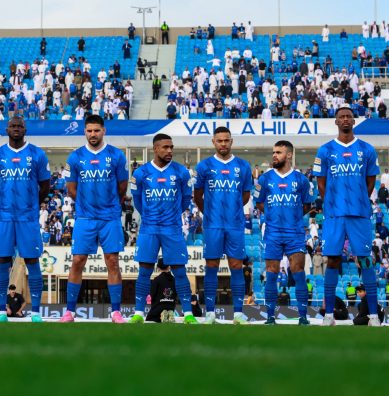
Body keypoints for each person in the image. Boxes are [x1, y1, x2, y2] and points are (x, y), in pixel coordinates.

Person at [313, 106, 381, 326]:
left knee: (365, 260)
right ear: (336, 122)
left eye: (348, 117)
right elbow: (320, 181)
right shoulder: (324, 150)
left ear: (354, 121)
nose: (345, 120)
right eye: (341, 117)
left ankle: (372, 315)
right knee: (331, 259)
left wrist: (361, 198)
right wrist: (331, 202)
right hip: (334, 214)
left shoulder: (367, 149)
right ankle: (329, 315)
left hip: (359, 213)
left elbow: (371, 180)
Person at [60, 115, 129, 323]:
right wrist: (87, 204)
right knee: (78, 261)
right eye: (89, 131)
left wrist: (108, 204)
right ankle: (70, 312)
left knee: (113, 262)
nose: (93, 134)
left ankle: (116, 312)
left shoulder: (117, 155)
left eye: (96, 130)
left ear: (104, 131)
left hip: (110, 217)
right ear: (84, 132)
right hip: (85, 217)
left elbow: (122, 187)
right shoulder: (75, 157)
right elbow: (71, 189)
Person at [0, 116, 51, 323]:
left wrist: (31, 204)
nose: (16, 129)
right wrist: (4, 204)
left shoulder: (37, 154)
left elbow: (45, 186)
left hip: (28, 217)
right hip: (5, 217)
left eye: (19, 126)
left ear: (25, 129)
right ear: (7, 129)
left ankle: (35, 313)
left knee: (32, 261)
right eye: (13, 126)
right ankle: (0, 312)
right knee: (3, 261)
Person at [129, 134, 197, 324]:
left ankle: (188, 314)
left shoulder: (181, 172)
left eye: (171, 147)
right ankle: (139, 314)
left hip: (172, 229)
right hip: (149, 229)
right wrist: (151, 217)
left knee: (180, 271)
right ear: (155, 148)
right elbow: (137, 201)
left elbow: (185, 200)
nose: (169, 151)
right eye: (165, 147)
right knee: (144, 270)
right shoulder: (141, 173)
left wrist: (171, 216)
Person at [193, 127, 254, 324]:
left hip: (235, 224)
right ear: (213, 142)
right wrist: (209, 213)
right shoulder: (204, 166)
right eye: (219, 140)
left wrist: (233, 210)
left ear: (231, 141)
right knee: (211, 265)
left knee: (236, 266)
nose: (223, 144)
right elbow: (197, 196)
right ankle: (210, 313)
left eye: (226, 140)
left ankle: (238, 313)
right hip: (213, 225)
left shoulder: (243, 166)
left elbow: (245, 196)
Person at [253, 140, 314, 326]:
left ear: (288, 155)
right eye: (273, 152)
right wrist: (273, 216)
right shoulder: (264, 179)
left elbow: (307, 205)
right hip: (272, 233)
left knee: (298, 273)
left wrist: (292, 218)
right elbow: (259, 202)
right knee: (271, 273)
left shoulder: (301, 180)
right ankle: (270, 316)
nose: (274, 155)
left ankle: (303, 317)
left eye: (278, 152)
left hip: (295, 233)